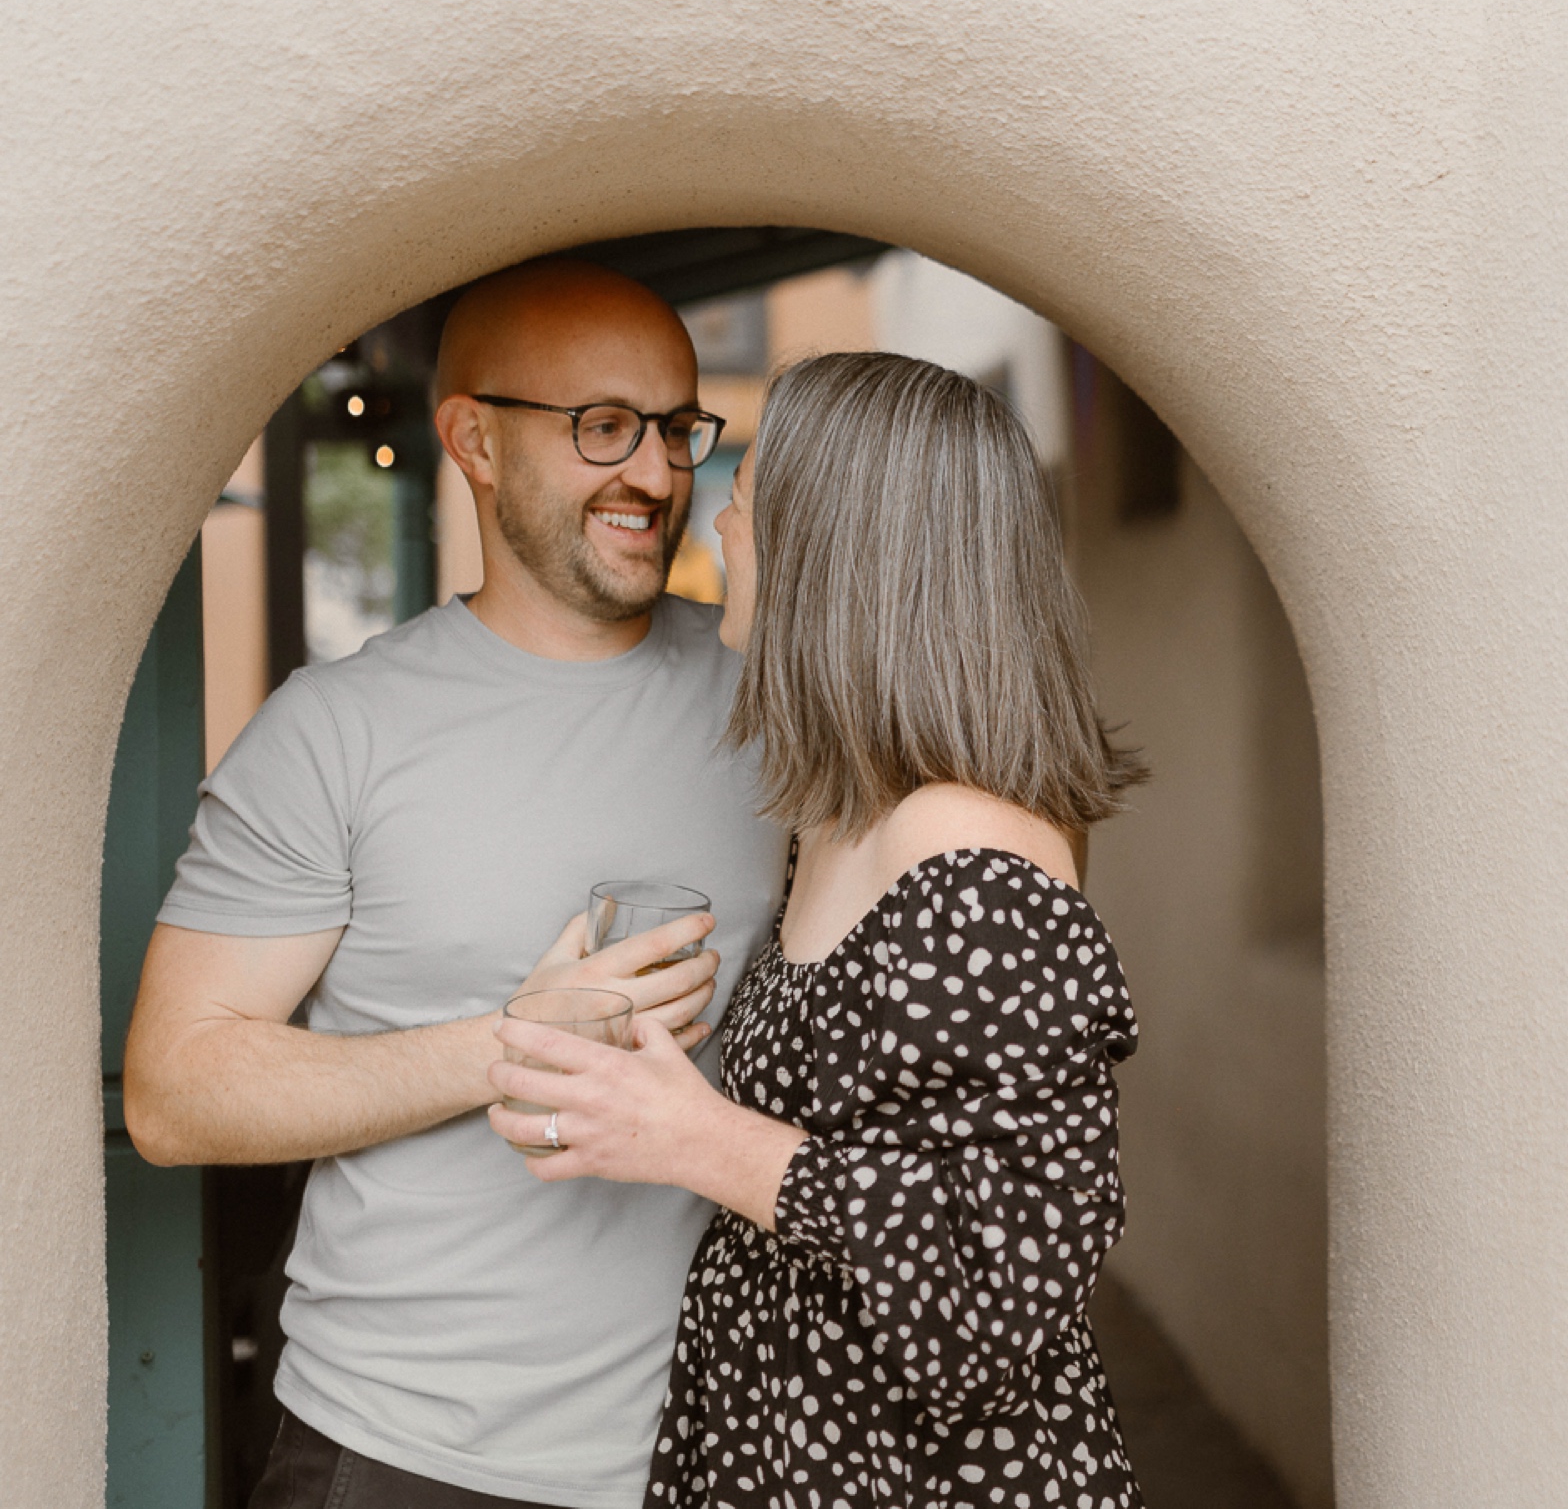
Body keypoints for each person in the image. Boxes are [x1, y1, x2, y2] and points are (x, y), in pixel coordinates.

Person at [123, 258, 787, 1509]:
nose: (654, 473)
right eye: (602, 426)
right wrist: (507, 1047)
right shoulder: (336, 731)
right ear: (473, 440)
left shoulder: (778, 693)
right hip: (401, 1450)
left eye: (675, 427)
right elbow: (175, 1089)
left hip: (723, 1445)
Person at [484, 353, 1150, 1509]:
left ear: (833, 549)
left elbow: (997, 1304)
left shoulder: (968, 854)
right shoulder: (840, 824)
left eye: (747, 494)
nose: (724, 526)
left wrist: (696, 1139)